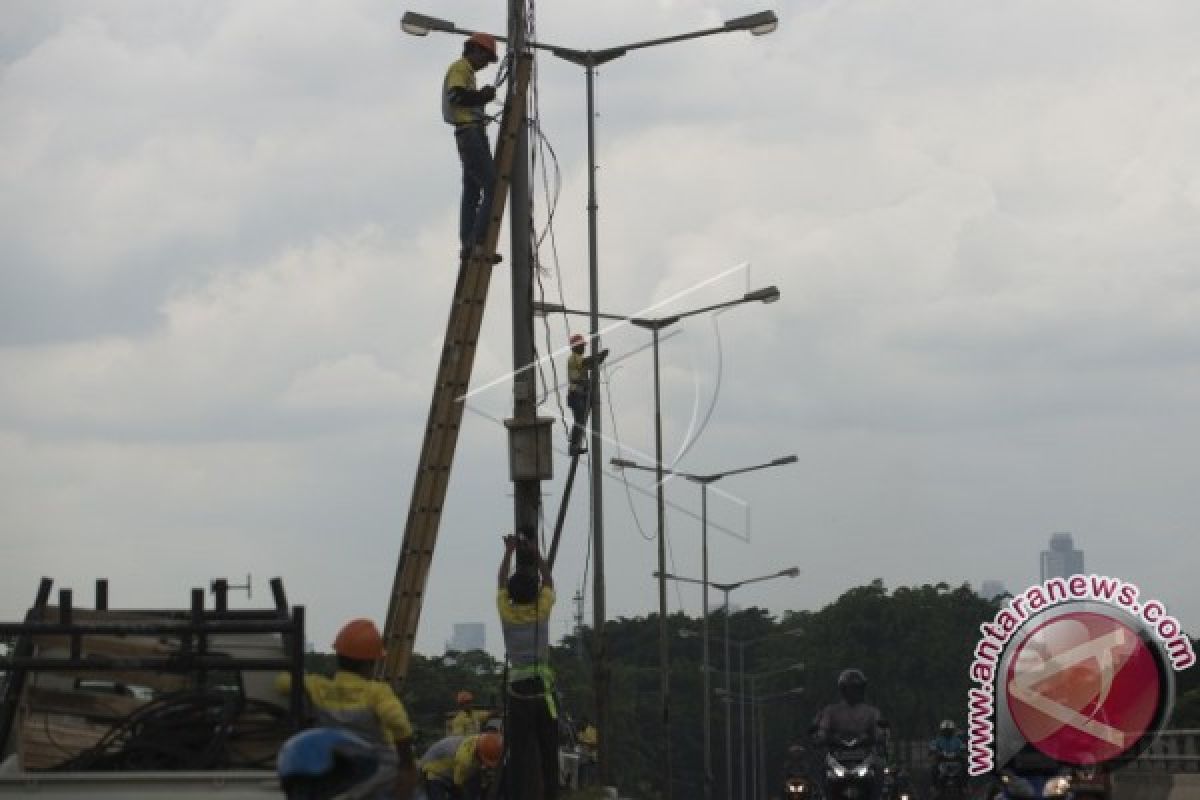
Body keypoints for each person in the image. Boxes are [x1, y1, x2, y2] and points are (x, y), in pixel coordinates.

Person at [275, 618, 416, 799]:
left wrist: (303, 678)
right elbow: (398, 723)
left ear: (339, 658)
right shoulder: (377, 692)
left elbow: (282, 683)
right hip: (378, 773)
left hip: (335, 768)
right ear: (369, 663)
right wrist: (407, 765)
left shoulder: (318, 687)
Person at [497, 533, 558, 800]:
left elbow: (500, 582)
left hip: (517, 695)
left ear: (511, 595)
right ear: (535, 594)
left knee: (518, 756)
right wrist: (536, 555)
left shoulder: (507, 614)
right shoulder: (541, 612)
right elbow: (549, 582)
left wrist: (509, 551)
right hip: (543, 694)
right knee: (549, 753)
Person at [443, 32, 500, 261]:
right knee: (492, 185)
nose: (486, 65)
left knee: (472, 191)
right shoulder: (461, 69)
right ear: (475, 50)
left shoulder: (466, 72)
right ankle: (477, 242)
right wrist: (482, 97)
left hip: (468, 133)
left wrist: (480, 97)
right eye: (486, 59)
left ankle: (468, 244)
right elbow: (457, 97)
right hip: (470, 133)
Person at [419, 731, 504, 800]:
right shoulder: (464, 761)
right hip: (433, 772)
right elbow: (458, 784)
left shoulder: (479, 741)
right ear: (480, 754)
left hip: (451, 768)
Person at [814, 668, 884, 747]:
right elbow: (823, 729)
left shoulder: (872, 712)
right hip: (837, 752)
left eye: (860, 688)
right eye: (853, 688)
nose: (857, 691)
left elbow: (878, 730)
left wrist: (880, 736)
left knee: (879, 758)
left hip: (865, 752)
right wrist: (820, 736)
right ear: (843, 689)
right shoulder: (831, 711)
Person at [565, 333, 608, 455]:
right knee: (579, 420)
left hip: (581, 394)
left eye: (583, 346)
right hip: (575, 394)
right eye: (581, 345)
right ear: (575, 347)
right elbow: (586, 362)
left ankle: (575, 445)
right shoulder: (574, 358)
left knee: (581, 421)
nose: (583, 348)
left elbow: (592, 364)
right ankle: (573, 446)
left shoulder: (579, 358)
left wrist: (600, 358)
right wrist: (598, 356)